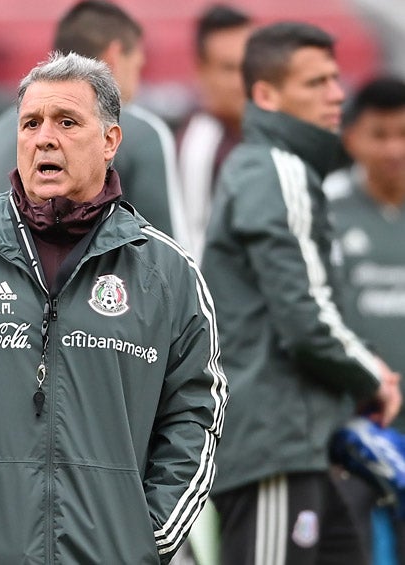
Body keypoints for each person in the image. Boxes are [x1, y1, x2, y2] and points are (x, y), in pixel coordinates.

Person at [0, 50, 226, 564]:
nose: (44, 138)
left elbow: (197, 412)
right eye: (31, 123)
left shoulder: (167, 273)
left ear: (110, 141)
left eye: (66, 121)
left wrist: (149, 537)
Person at [201, 22, 403, 565]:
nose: (337, 94)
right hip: (274, 448)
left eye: (336, 80)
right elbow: (304, 313)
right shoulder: (277, 168)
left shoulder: (276, 168)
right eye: (316, 82)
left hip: (306, 444)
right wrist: (370, 376)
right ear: (266, 95)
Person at [0, 0, 190, 250]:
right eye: (137, 65)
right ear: (113, 57)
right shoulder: (141, 132)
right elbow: (168, 256)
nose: (45, 139)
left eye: (68, 123)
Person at [324, 75, 405, 563]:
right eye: (380, 134)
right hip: (359, 439)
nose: (394, 148)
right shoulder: (324, 208)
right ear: (351, 137)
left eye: (404, 133)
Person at [176, 4, 253, 263]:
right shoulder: (200, 147)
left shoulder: (271, 132)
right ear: (202, 71)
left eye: (250, 65)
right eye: (230, 68)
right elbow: (194, 248)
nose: (243, 80)